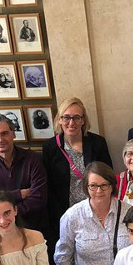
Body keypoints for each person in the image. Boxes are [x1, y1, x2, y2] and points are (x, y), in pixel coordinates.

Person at [42, 99, 111, 256]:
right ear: (59, 120)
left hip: (94, 209)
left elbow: (108, 176)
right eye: (66, 117)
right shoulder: (50, 147)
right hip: (65, 212)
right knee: (68, 253)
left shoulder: (97, 143)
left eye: (76, 117)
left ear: (83, 120)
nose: (71, 122)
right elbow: (48, 186)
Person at [0, 114, 48, 234]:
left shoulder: (33, 159)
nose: (0, 140)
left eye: (4, 133)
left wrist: (5, 212)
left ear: (13, 134)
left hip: (34, 227)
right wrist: (19, 194)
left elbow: (39, 199)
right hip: (0, 231)